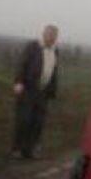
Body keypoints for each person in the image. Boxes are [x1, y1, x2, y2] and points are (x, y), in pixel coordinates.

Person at [13, 24, 59, 159]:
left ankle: (30, 150)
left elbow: (54, 71)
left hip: (43, 92)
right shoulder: (32, 46)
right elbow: (22, 64)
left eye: (54, 36)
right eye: (50, 35)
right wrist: (18, 82)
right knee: (24, 120)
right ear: (44, 34)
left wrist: (52, 91)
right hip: (28, 89)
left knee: (38, 123)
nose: (52, 38)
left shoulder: (55, 51)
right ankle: (17, 148)